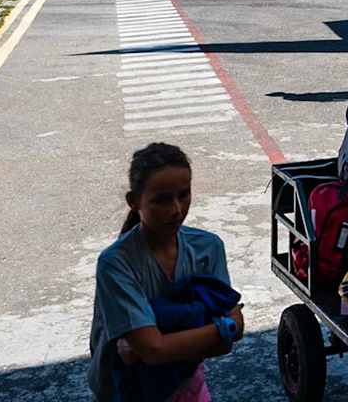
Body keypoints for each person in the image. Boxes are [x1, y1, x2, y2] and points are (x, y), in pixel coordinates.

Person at [89, 143, 242, 401]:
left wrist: (225, 331)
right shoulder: (115, 263)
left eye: (183, 195)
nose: (176, 210)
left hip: (184, 385)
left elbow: (230, 339)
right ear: (133, 202)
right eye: (161, 200)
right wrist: (221, 327)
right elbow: (154, 350)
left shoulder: (208, 248)